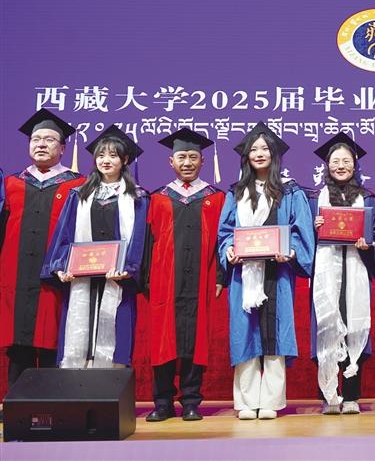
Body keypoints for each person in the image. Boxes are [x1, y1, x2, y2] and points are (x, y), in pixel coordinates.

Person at [217, 122, 314, 420]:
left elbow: (301, 230)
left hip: (277, 273)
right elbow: (225, 232)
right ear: (246, 156)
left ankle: (270, 400)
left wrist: (292, 251)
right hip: (243, 275)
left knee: (275, 332)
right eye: (253, 149)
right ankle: (247, 401)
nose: (259, 154)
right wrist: (228, 249)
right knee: (244, 333)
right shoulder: (235, 193)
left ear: (274, 154)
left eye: (264, 149)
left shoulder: (290, 192)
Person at [41, 125, 148, 369]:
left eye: (113, 155)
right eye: (101, 155)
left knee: (116, 337)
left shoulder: (137, 197)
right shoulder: (78, 195)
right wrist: (61, 266)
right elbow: (65, 234)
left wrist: (129, 268)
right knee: (79, 331)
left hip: (117, 279)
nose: (105, 160)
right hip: (82, 279)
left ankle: (111, 387)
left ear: (125, 160)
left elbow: (139, 239)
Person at [144, 129, 227, 422]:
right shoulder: (158, 198)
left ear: (202, 161)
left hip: (202, 279)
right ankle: (163, 402)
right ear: (171, 161)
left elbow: (223, 241)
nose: (188, 162)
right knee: (163, 340)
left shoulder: (216, 197)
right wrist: (147, 280)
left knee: (196, 338)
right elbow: (147, 242)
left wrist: (220, 277)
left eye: (193, 157)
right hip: (165, 280)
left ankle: (191, 400)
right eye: (182, 157)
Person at [0, 110, 85, 389]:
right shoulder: (12, 183)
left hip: (56, 277)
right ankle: (17, 401)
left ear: (62, 148)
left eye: (49, 140)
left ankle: (52, 400)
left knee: (52, 338)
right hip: (15, 275)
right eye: (36, 139)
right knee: (18, 342)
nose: (41, 144)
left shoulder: (77, 184)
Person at [306, 132, 375, 415]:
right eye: (335, 161)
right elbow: (302, 237)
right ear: (327, 165)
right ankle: (328, 396)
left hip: (356, 270)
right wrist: (313, 227)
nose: (340, 166)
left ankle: (351, 396)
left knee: (354, 329)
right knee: (326, 327)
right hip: (325, 275)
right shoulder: (314, 199)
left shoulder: (369, 199)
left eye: (346, 161)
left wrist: (368, 244)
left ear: (355, 165)